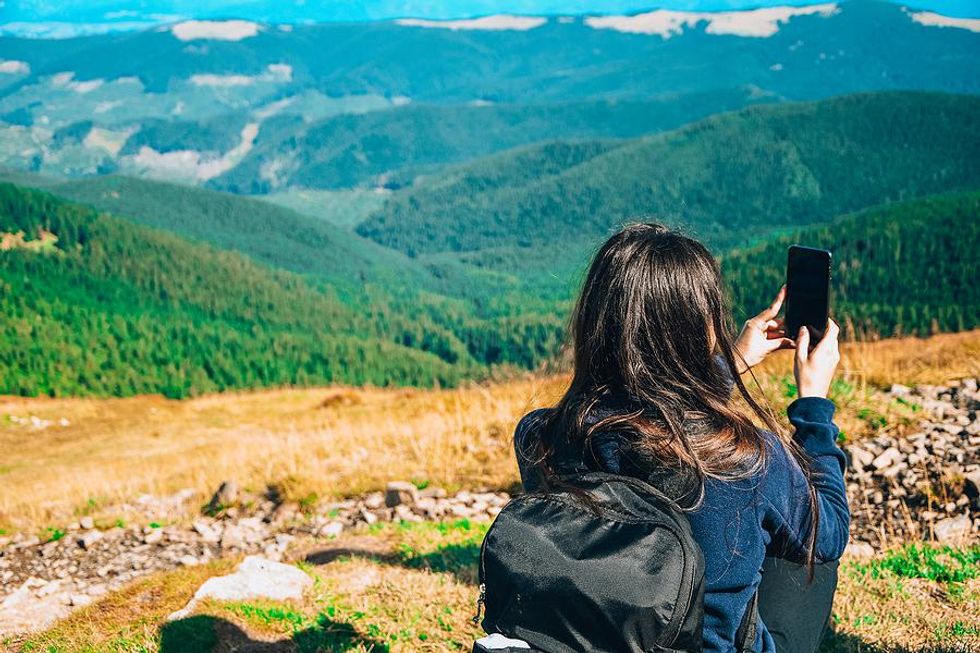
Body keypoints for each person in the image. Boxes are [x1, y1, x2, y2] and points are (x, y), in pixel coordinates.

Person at [513, 223, 850, 652]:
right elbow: (830, 532)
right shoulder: (745, 459)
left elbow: (650, 430)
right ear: (701, 327)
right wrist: (814, 403)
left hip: (595, 637)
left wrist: (731, 364)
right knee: (808, 547)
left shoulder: (540, 436)